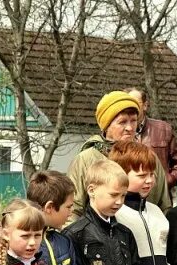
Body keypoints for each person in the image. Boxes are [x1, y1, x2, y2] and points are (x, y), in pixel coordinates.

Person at [67, 91, 171, 219]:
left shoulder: (148, 156)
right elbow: (73, 209)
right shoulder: (86, 159)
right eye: (122, 122)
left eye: (133, 121)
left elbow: (164, 205)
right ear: (106, 125)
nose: (130, 127)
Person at [126, 87, 177, 193]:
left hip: (159, 197)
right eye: (128, 102)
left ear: (145, 105)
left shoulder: (163, 129)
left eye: (136, 102)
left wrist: (166, 181)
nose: (132, 106)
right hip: (127, 196)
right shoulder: (118, 131)